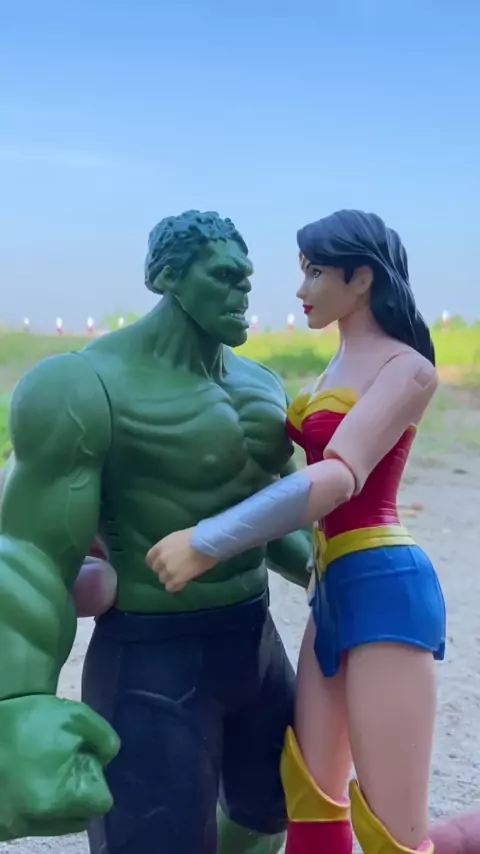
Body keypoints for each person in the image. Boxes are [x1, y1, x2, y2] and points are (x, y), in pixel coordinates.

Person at [0, 210, 312, 854]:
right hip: (154, 656)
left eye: (247, 277)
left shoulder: (261, 385)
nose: (243, 290)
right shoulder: (83, 385)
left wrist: (339, 573)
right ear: (166, 276)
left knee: (272, 809)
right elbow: (30, 555)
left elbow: (275, 511)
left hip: (254, 639)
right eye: (223, 275)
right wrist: (19, 700)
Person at [147, 209, 447, 854]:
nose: (301, 288)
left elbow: (337, 477)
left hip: (385, 588)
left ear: (361, 278)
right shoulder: (333, 367)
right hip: (332, 590)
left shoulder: (407, 369)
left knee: (394, 828)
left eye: (315, 273)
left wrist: (208, 540)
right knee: (309, 792)